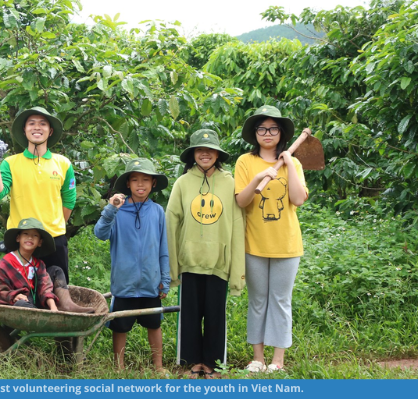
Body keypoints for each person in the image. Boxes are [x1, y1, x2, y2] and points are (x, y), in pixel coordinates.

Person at [0, 107, 92, 313]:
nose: (37, 127)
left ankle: (62, 342)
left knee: (59, 291)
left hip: (54, 240)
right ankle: (17, 339)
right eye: (32, 123)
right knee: (18, 294)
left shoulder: (63, 163)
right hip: (21, 239)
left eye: (43, 123)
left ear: (50, 131)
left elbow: (69, 200)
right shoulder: (11, 163)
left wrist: (55, 226)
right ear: (24, 131)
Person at [166, 129, 245, 379]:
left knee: (214, 315)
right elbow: (171, 222)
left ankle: (212, 363)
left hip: (218, 261)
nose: (205, 154)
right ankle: (192, 362)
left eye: (210, 150)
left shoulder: (230, 182)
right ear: (193, 154)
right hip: (189, 261)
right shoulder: (182, 183)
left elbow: (237, 223)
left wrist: (236, 268)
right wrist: (172, 267)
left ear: (217, 154)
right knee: (188, 315)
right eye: (200, 150)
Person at [234, 106, 308, 373]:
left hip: (287, 245)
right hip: (254, 243)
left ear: (281, 133)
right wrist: (258, 177)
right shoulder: (245, 162)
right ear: (255, 133)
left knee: (280, 300)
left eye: (273, 129)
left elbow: (298, 199)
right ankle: (258, 358)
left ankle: (278, 360)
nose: (267, 133)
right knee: (258, 300)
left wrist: (288, 163)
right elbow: (242, 202)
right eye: (262, 129)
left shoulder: (294, 163)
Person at [94, 158, 171, 372]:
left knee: (154, 325)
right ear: (127, 184)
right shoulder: (117, 212)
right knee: (120, 326)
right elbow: (100, 234)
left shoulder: (157, 212)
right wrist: (110, 209)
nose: (140, 184)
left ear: (153, 183)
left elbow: (163, 249)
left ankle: (158, 366)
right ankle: (119, 367)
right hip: (124, 283)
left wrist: (164, 279)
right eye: (135, 179)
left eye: (146, 180)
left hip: (150, 283)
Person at [0, 218, 60, 311]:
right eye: (26, 234)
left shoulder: (38, 264)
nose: (30, 237)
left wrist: (53, 307)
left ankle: (64, 306)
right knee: (21, 304)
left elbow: (45, 288)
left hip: (35, 300)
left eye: (35, 235)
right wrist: (14, 295)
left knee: (56, 270)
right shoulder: (5, 263)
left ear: (39, 242)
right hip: (16, 304)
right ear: (18, 238)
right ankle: (37, 316)